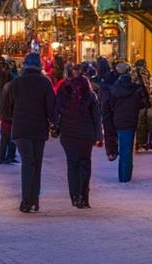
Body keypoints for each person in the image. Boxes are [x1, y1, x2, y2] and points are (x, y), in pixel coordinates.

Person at [0, 52, 58, 213]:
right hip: (39, 129)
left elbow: (7, 106)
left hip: (21, 128)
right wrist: (55, 122)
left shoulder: (17, 83)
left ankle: (26, 200)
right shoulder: (45, 83)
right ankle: (34, 201)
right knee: (36, 164)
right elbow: (51, 106)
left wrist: (11, 118)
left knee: (27, 162)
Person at [55, 65, 101, 208]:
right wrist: (98, 136)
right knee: (85, 164)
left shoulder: (63, 92)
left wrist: (56, 127)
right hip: (86, 134)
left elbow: (57, 110)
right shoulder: (91, 96)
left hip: (68, 133)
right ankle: (84, 196)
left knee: (72, 164)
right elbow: (96, 117)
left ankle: (75, 196)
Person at [102, 66, 148, 183]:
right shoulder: (135, 91)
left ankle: (123, 175)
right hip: (131, 122)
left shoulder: (114, 90)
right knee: (127, 150)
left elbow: (109, 106)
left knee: (123, 149)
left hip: (118, 121)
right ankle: (125, 176)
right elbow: (143, 104)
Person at [132, 59, 152, 150]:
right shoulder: (147, 73)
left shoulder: (134, 74)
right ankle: (147, 141)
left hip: (139, 101)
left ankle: (140, 142)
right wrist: (151, 98)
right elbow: (150, 88)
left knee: (140, 122)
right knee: (148, 122)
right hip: (147, 101)